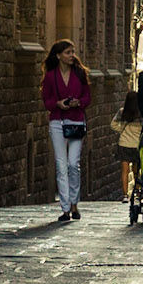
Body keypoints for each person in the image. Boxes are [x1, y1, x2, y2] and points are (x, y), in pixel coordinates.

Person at [42, 39, 92, 224]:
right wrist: (57, 104)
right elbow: (46, 100)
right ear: (58, 55)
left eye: (72, 52)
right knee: (61, 165)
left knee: (73, 164)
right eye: (68, 52)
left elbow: (87, 96)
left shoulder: (80, 74)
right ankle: (65, 208)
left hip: (76, 121)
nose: (72, 55)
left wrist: (79, 102)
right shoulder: (50, 76)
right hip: (57, 122)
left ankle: (74, 203)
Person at [114, 89, 143, 200]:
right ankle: (138, 190)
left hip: (124, 143)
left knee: (124, 170)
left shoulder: (122, 112)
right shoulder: (142, 114)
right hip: (137, 144)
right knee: (137, 169)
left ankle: (125, 194)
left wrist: (122, 130)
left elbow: (113, 125)